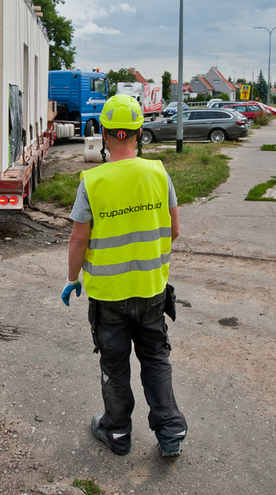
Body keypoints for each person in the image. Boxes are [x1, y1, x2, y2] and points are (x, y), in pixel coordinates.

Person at [62, 94, 188, 458]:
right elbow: (174, 229)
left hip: (109, 294)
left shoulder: (93, 180)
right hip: (151, 289)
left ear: (103, 132)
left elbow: (78, 239)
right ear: (138, 132)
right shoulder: (158, 173)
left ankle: (117, 432)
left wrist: (73, 279)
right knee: (155, 359)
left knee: (114, 364)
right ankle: (170, 433)